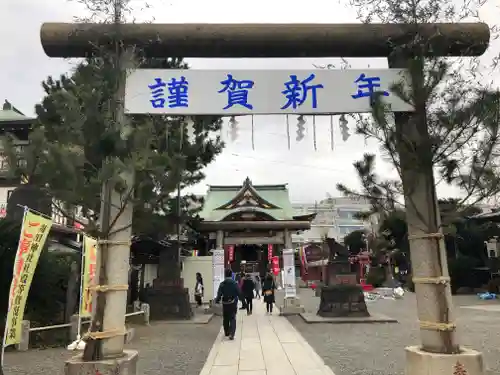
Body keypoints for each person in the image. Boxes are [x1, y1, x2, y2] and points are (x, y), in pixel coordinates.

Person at [215, 268, 245, 340]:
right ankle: (232, 334)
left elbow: (219, 294)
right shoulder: (235, 284)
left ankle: (226, 332)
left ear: (225, 275)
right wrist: (243, 302)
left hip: (225, 303)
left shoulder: (222, 284)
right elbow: (239, 293)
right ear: (231, 275)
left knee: (225, 318)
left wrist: (217, 300)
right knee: (232, 318)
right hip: (233, 303)